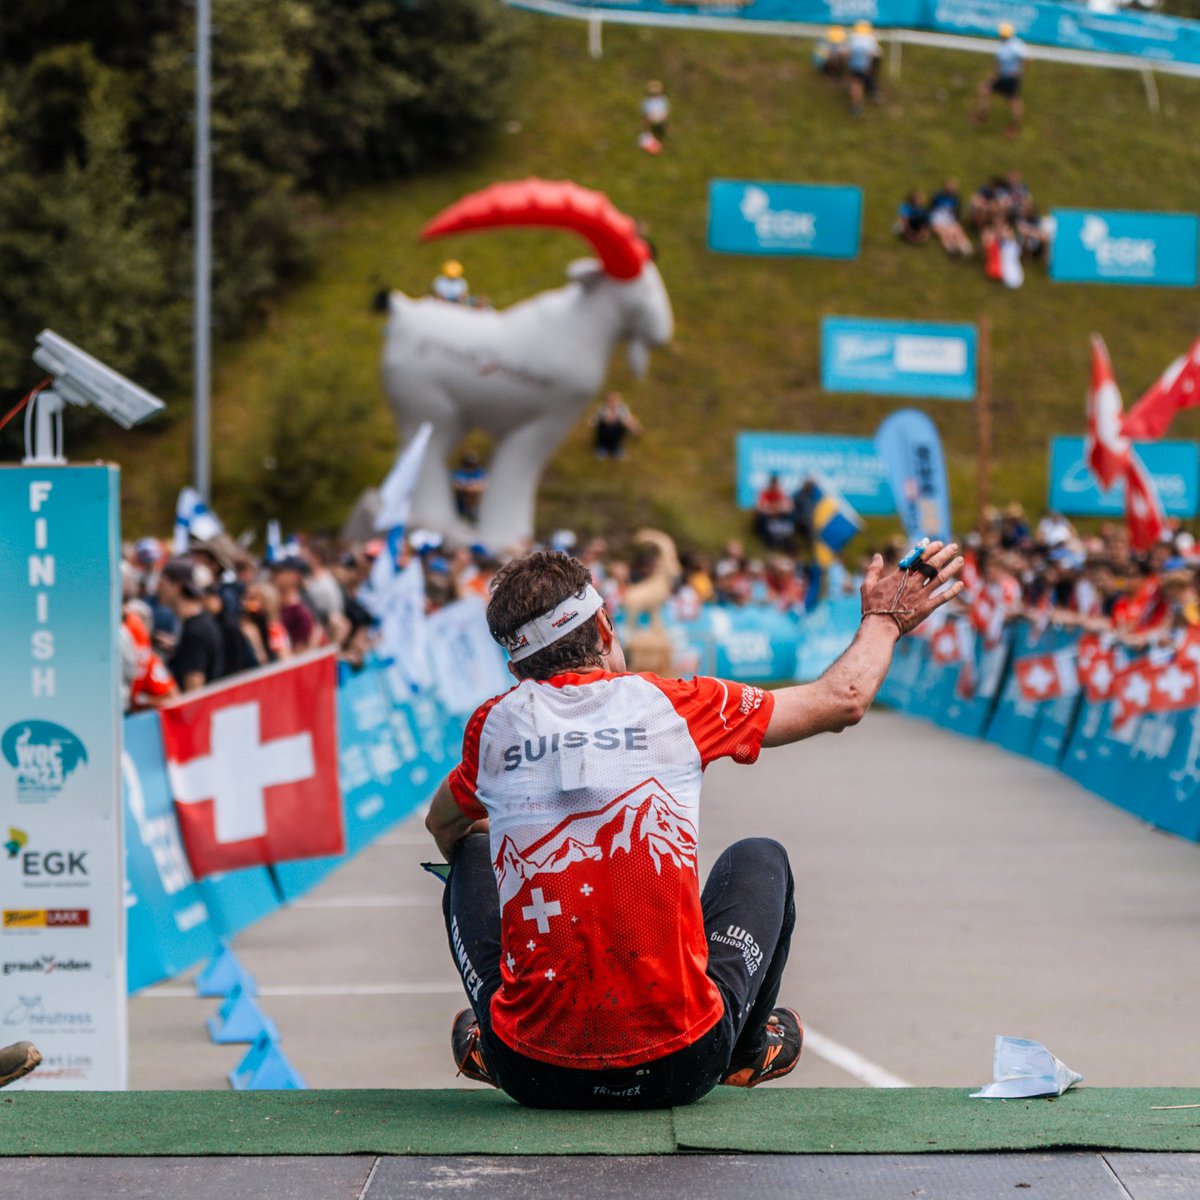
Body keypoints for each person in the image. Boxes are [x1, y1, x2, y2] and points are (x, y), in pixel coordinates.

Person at [425, 542, 964, 1109]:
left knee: (468, 850)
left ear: (515, 668)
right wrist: (885, 618)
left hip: (533, 1073)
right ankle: (749, 1049)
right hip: (682, 1065)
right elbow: (844, 698)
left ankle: (493, 1030)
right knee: (761, 856)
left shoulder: (492, 727)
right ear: (605, 629)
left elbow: (441, 821)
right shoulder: (674, 704)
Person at [157, 559, 225, 692]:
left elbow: (193, 692)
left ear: (177, 585)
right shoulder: (199, 622)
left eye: (162, 583)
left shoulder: (195, 631)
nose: (157, 589)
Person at [976, 23, 1026, 135]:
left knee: (1013, 101)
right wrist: (1019, 70)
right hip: (1007, 77)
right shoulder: (1017, 44)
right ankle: (983, 115)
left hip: (1006, 77)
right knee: (986, 91)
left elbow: (998, 65)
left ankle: (1013, 127)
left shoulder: (1007, 47)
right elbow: (1026, 58)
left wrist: (994, 77)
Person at [928, 179, 974, 257]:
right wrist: (931, 223)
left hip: (949, 218)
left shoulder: (956, 198)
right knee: (945, 233)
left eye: (953, 189)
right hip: (937, 218)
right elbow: (930, 209)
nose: (952, 191)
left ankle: (966, 247)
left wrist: (956, 221)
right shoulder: (937, 195)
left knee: (957, 230)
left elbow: (957, 212)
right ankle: (951, 248)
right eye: (950, 189)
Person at [591, 392, 642, 460]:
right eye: (611, 402)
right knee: (604, 427)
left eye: (616, 402)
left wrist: (635, 426)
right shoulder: (603, 409)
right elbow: (596, 420)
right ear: (607, 403)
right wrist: (597, 420)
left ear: (619, 402)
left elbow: (629, 417)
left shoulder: (622, 408)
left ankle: (616, 448)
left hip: (617, 432)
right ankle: (602, 448)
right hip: (605, 431)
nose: (614, 404)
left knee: (624, 424)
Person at [846, 21, 881, 115]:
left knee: (856, 83)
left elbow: (847, 52)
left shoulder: (852, 37)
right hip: (866, 65)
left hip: (855, 65)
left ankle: (856, 106)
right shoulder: (871, 38)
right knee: (864, 81)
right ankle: (874, 94)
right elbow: (877, 53)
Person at [452, 452, 488, 521]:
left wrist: (469, 487)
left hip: (475, 496)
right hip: (462, 496)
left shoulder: (480, 472)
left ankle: (473, 511)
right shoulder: (459, 472)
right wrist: (467, 488)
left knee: (476, 494)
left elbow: (483, 485)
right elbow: (456, 485)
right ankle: (463, 513)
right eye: (468, 465)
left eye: (472, 465)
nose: (470, 467)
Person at [640, 81, 670, 154]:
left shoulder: (662, 100)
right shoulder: (647, 101)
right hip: (652, 117)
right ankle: (648, 135)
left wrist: (663, 115)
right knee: (648, 118)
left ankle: (663, 132)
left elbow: (666, 110)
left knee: (662, 118)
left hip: (660, 116)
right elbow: (645, 112)